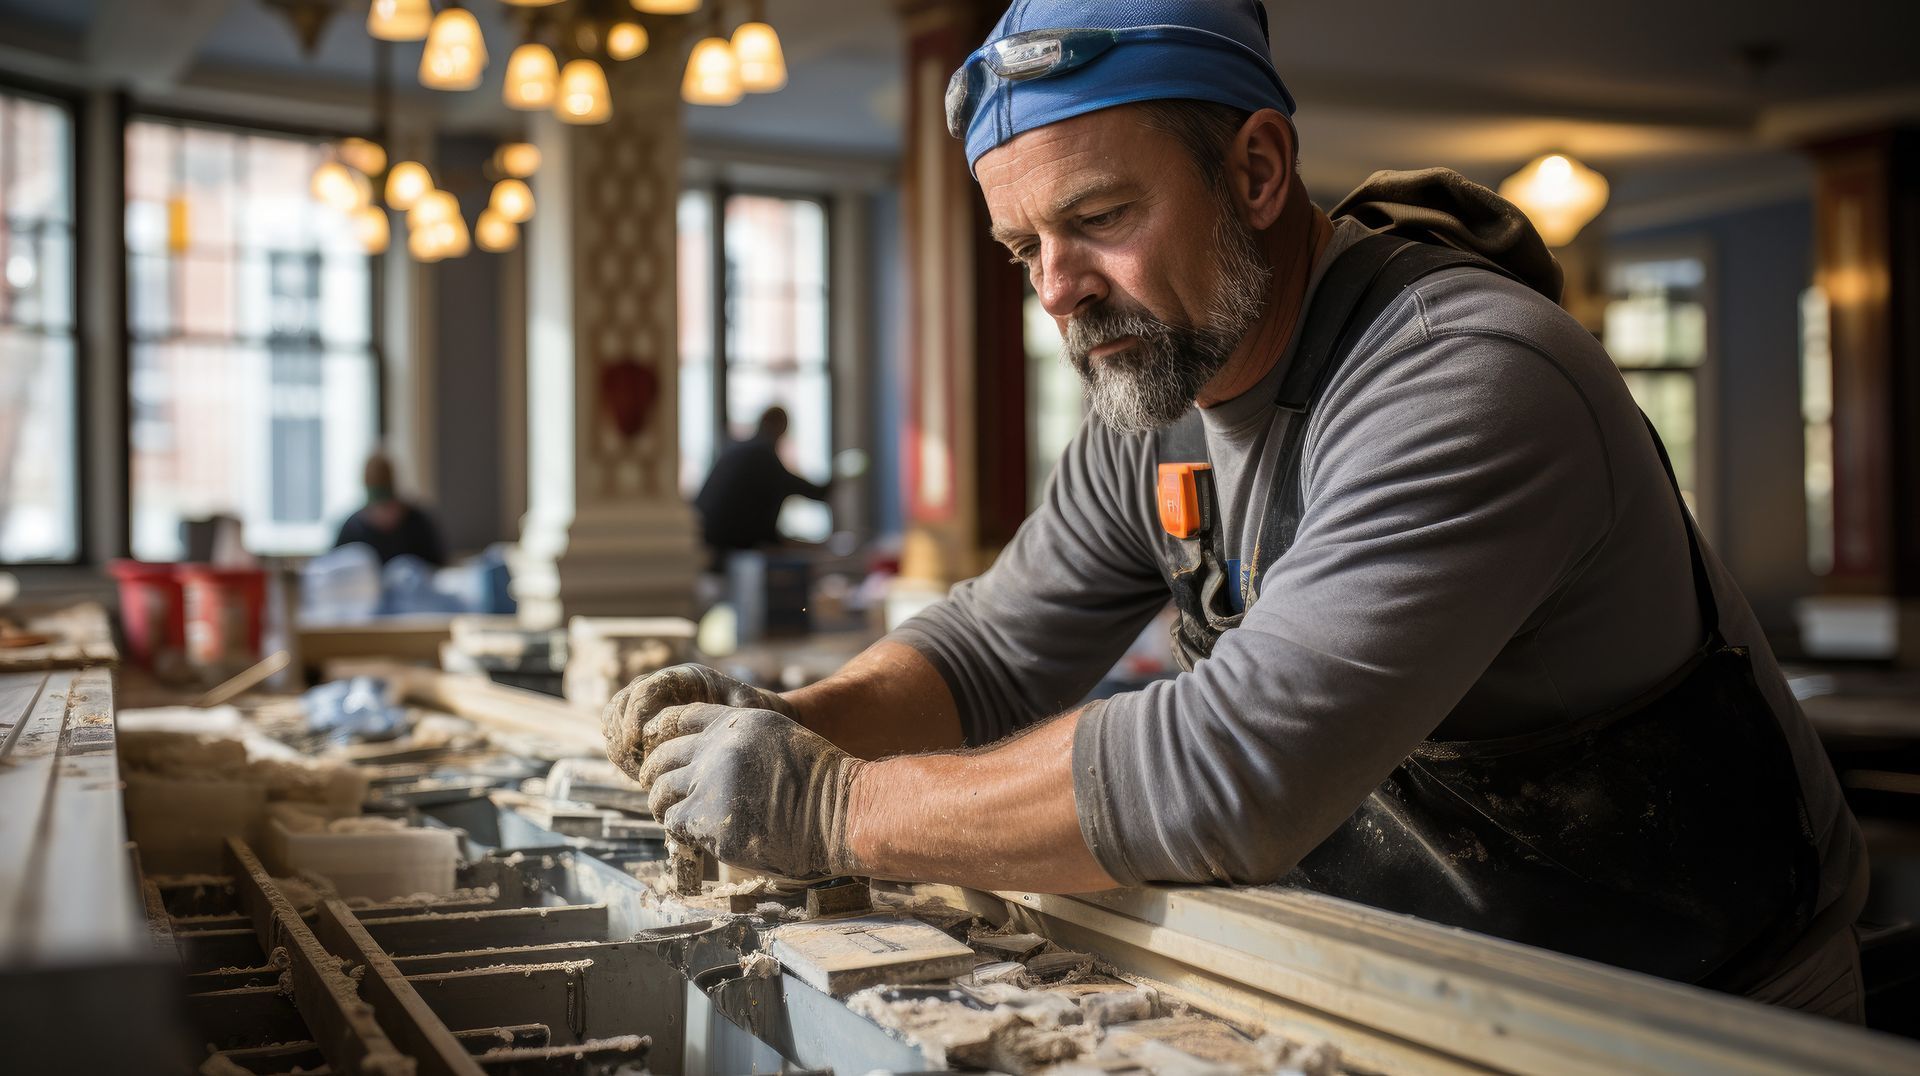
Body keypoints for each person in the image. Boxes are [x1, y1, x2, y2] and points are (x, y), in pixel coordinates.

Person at [604, 0, 1867, 1019]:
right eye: (1021, 247)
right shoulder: (1161, 385)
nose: (1058, 291)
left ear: (1258, 168)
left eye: (1099, 218)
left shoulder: (1468, 378)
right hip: (1432, 971)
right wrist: (786, 726)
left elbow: (1232, 764)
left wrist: (836, 809)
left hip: (1699, 1010)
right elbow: (992, 647)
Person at [692, 406, 831, 566]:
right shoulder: (762, 457)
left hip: (706, 542)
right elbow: (807, 489)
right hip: (726, 552)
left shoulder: (736, 450)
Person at [333, 453, 445, 566]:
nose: (382, 514)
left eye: (386, 506)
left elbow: (437, 565)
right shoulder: (353, 530)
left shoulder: (416, 523)